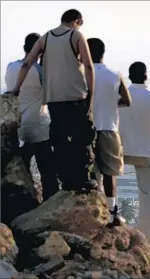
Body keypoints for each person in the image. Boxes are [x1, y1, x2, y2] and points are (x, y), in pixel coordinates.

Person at [7, 9, 97, 192]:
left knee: (60, 142)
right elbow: (88, 65)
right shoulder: (76, 35)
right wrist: (91, 92)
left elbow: (26, 64)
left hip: (52, 102)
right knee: (81, 139)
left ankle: (66, 182)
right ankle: (81, 180)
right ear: (78, 20)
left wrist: (16, 89)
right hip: (74, 97)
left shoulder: (45, 38)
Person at [119, 62, 150, 245]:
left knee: (105, 181)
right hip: (148, 152)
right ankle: (144, 242)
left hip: (121, 150)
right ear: (146, 76)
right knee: (147, 196)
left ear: (130, 77)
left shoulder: (121, 96)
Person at [5, 33, 59, 201]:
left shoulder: (11, 66)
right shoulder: (40, 70)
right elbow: (51, 94)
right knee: (47, 169)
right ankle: (49, 201)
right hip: (39, 124)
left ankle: (26, 199)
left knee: (25, 166)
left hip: (19, 125)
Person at [87, 38, 132, 224]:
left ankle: (94, 211)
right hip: (109, 127)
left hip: (87, 128)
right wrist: (110, 104)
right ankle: (112, 211)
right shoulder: (115, 74)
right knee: (109, 173)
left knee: (90, 173)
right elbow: (127, 100)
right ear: (103, 53)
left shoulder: (82, 74)